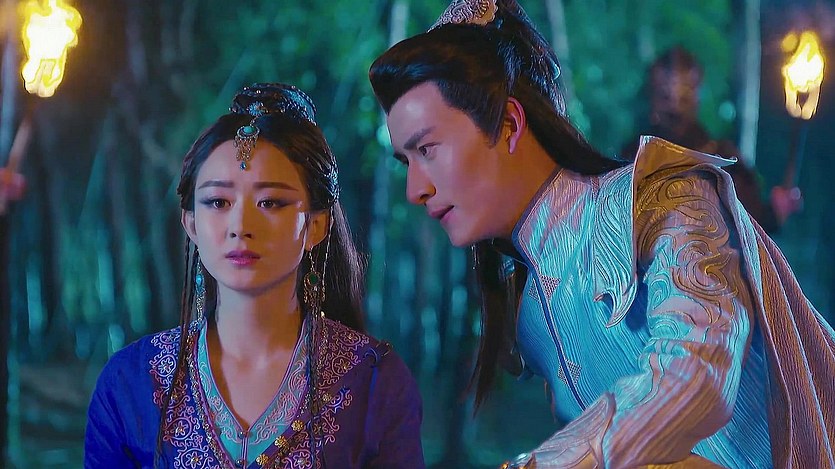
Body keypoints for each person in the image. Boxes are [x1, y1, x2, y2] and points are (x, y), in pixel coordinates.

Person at [368, 0, 835, 467]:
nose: (414, 189)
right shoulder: (528, 312)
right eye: (406, 161)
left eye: (428, 149)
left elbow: (694, 373)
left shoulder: (660, 197)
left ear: (508, 124)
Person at [84, 83, 424, 468]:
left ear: (316, 225)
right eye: (218, 202)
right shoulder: (131, 383)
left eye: (271, 202)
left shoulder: (374, 382)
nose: (241, 226)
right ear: (191, 224)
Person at [621, 46, 802, 233]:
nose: (675, 104)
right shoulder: (631, 160)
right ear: (653, 96)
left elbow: (751, 225)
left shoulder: (723, 160)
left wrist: (774, 212)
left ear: (696, 96)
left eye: (683, 98)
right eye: (665, 96)